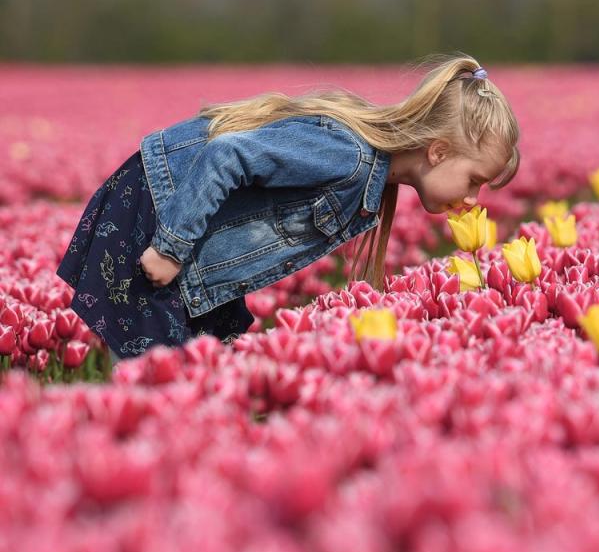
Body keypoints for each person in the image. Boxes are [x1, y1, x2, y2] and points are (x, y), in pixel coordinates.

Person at [55, 52, 521, 370]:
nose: (474, 199)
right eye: (474, 180)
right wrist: (170, 248)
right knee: (159, 385)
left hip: (193, 247)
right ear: (438, 152)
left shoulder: (370, 176)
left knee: (198, 381)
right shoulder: (349, 156)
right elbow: (227, 155)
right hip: (159, 212)